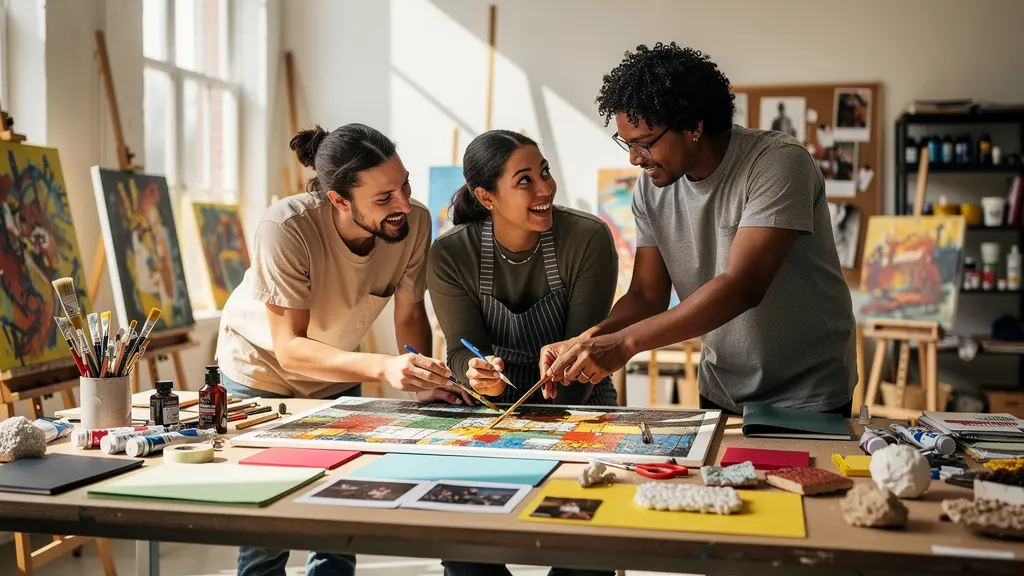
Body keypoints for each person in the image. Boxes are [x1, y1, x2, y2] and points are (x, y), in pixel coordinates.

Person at [544, 42, 857, 416]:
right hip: (721, 386)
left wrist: (624, 345)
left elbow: (742, 286)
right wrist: (590, 339)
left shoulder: (777, 163)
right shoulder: (651, 188)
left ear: (693, 125)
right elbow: (646, 295)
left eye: (644, 144)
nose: (633, 158)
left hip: (807, 392)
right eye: (626, 144)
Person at [215, 123, 470, 576]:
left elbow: (410, 312)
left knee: (342, 508)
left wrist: (423, 383)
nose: (403, 204)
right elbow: (290, 348)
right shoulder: (284, 227)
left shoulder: (414, 223)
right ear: (338, 200)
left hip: (340, 367)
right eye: (384, 198)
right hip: (262, 373)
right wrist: (386, 367)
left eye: (404, 185)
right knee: (267, 518)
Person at [427, 129, 617, 576]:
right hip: (492, 409)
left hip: (580, 401)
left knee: (585, 550)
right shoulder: (451, 253)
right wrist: (477, 374)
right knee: (463, 546)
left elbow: (581, 353)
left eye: (544, 173)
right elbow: (461, 349)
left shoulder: (587, 238)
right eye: (525, 180)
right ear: (486, 197)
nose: (545, 189)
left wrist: (538, 439)